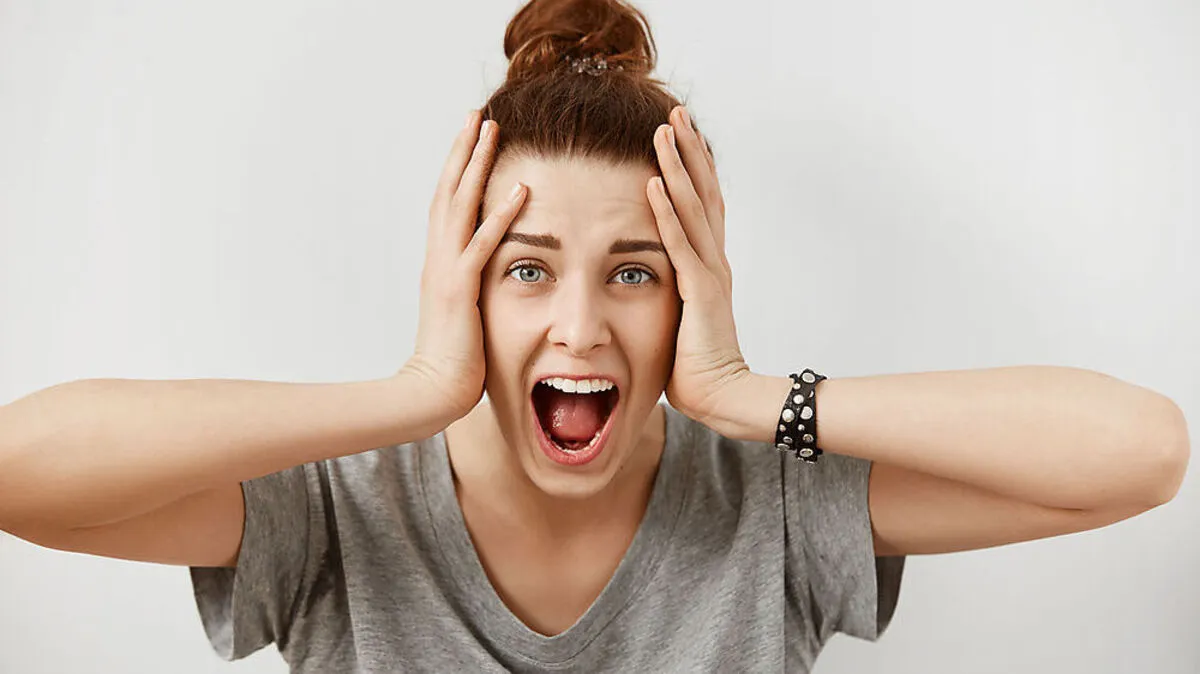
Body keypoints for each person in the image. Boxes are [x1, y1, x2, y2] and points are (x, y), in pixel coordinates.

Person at [0, 0, 1189, 671]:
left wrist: (747, 390)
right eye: (526, 269)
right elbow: (20, 471)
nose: (580, 324)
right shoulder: (337, 511)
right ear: (464, 289)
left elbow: (1138, 451)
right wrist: (412, 389)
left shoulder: (772, 502)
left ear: (691, 294)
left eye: (635, 269)